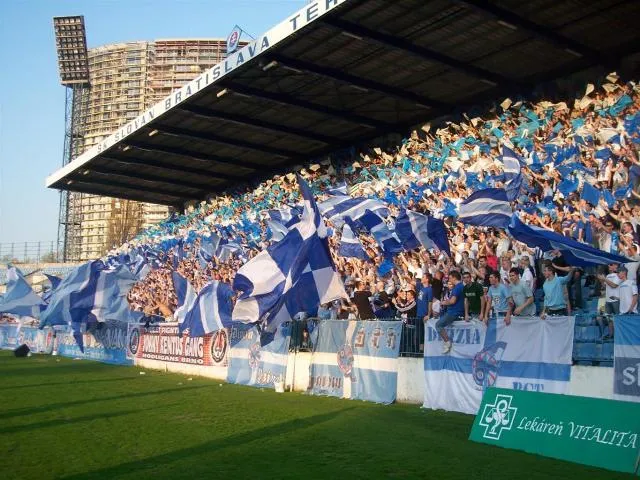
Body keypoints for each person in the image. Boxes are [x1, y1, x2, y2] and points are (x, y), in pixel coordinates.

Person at [436, 271, 464, 354]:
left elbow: (452, 301)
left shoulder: (457, 287)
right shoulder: (461, 286)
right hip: (454, 311)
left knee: (438, 325)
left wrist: (443, 302)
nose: (449, 279)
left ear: (454, 278)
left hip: (454, 312)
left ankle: (447, 342)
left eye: (450, 278)